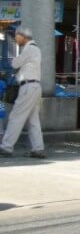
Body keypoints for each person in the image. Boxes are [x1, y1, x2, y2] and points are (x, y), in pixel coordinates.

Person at [0, 27, 45, 158]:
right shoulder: (35, 49)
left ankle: (6, 147)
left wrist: (17, 61)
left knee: (16, 117)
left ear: (23, 36)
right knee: (33, 120)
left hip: (28, 87)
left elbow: (15, 63)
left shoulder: (30, 48)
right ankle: (38, 149)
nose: (15, 38)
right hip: (34, 87)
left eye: (17, 36)